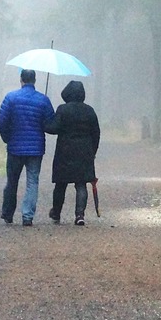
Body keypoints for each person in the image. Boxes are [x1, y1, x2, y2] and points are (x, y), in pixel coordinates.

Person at [0, 68, 55, 226]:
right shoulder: (43, 100)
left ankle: (8, 213)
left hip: (15, 147)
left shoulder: (11, 98)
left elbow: (2, 120)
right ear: (34, 80)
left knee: (12, 181)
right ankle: (27, 216)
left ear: (21, 80)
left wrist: (6, 138)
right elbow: (51, 124)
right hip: (35, 149)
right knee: (32, 181)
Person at [44, 79, 100, 226]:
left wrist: (44, 123)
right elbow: (96, 133)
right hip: (84, 153)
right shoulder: (89, 111)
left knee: (60, 184)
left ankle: (56, 212)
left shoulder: (63, 109)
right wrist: (92, 151)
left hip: (65, 152)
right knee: (81, 184)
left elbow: (54, 128)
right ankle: (80, 215)